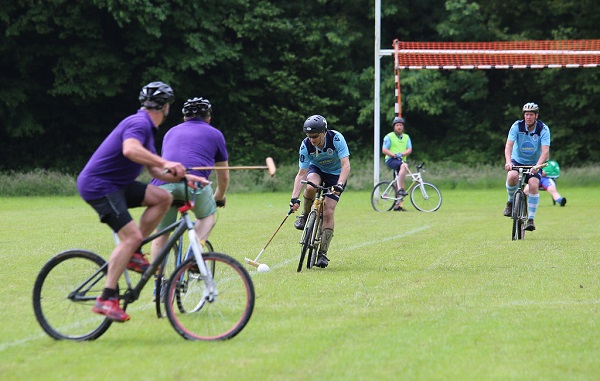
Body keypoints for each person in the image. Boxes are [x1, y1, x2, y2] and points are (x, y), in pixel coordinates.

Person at [77, 81, 202, 323]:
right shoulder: (138, 123)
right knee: (132, 235)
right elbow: (130, 150)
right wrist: (166, 163)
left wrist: (187, 177)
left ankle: (133, 252)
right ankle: (106, 297)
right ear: (166, 107)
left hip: (117, 184)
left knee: (163, 197)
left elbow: (156, 173)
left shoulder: (146, 129)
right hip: (100, 185)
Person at [150, 97, 229, 281]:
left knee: (161, 236)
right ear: (208, 117)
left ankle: (159, 285)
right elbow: (223, 177)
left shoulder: (170, 132)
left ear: (184, 117)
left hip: (162, 187)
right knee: (207, 217)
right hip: (195, 185)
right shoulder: (215, 134)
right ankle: (193, 256)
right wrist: (219, 196)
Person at [289, 115, 351, 268]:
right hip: (317, 170)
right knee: (310, 186)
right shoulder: (305, 145)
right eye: (309, 136)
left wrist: (340, 185)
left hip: (336, 175)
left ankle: (322, 253)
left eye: (315, 136)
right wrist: (294, 198)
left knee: (328, 210)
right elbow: (301, 174)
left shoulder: (336, 139)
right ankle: (304, 215)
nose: (312, 139)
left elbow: (346, 165)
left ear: (324, 132)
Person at [503, 102, 551, 231]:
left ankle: (531, 219)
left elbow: (545, 151)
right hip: (517, 160)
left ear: (536, 116)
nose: (528, 117)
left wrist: (537, 166)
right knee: (512, 176)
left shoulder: (543, 129)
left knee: (534, 184)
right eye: (526, 114)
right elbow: (509, 146)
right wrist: (508, 161)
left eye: (531, 115)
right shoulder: (517, 126)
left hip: (535, 163)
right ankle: (510, 202)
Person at [381, 116, 413, 211]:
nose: (399, 127)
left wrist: (402, 154)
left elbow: (409, 149)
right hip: (391, 160)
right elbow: (384, 150)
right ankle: (400, 190)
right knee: (404, 166)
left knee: (398, 181)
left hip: (401, 160)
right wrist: (394, 155)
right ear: (394, 127)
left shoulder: (406, 137)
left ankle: (397, 205)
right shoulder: (389, 136)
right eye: (397, 125)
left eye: (400, 125)